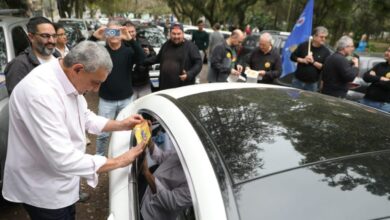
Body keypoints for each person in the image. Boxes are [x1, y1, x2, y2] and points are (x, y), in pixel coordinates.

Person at [2, 41, 147, 220]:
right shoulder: (40, 94)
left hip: (63, 180)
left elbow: (84, 116)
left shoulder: (65, 76)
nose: (96, 89)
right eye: (95, 82)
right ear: (78, 69)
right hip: (43, 189)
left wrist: (121, 124)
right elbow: (62, 159)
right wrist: (120, 161)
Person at [89, 21, 145, 156]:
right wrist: (94, 37)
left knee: (126, 132)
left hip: (126, 99)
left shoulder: (128, 51)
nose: (114, 35)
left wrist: (130, 39)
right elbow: (80, 54)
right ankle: (99, 159)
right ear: (106, 34)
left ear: (122, 34)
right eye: (110, 32)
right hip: (106, 100)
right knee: (103, 134)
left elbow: (143, 58)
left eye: (117, 32)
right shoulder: (101, 51)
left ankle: (124, 157)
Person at [5, 16, 61, 95]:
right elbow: (19, 101)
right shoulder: (19, 65)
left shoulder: (58, 57)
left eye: (54, 36)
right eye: (45, 36)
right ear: (31, 37)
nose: (51, 40)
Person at [141, 138, 192, 220]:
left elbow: (172, 202)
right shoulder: (181, 154)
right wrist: (149, 142)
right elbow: (161, 156)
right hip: (145, 191)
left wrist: (146, 173)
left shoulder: (195, 185)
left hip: (149, 214)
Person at [143, 22, 202, 90]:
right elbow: (157, 58)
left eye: (178, 34)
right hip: (164, 86)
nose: (176, 36)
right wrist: (142, 61)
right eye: (174, 34)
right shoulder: (166, 44)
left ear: (183, 34)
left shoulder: (191, 47)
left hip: (182, 87)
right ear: (170, 34)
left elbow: (198, 63)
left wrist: (189, 74)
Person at [290, 26, 331, 91]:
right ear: (314, 36)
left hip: (312, 84)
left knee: (308, 101)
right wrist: (303, 60)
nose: (323, 39)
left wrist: (313, 62)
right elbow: (292, 57)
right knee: (293, 99)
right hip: (297, 81)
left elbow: (325, 67)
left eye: (325, 37)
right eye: (321, 37)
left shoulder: (326, 52)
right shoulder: (303, 45)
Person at [123, 21, 155, 99]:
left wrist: (149, 54)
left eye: (132, 31)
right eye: (128, 32)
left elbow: (154, 57)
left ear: (135, 31)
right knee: (130, 108)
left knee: (145, 105)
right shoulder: (120, 44)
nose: (131, 34)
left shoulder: (144, 41)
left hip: (144, 82)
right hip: (128, 84)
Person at [359, 46, 390, 112]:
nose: (386, 53)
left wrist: (374, 78)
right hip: (366, 101)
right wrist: (381, 78)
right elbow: (365, 77)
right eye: (387, 50)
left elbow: (388, 85)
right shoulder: (380, 65)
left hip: (384, 106)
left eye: (389, 51)